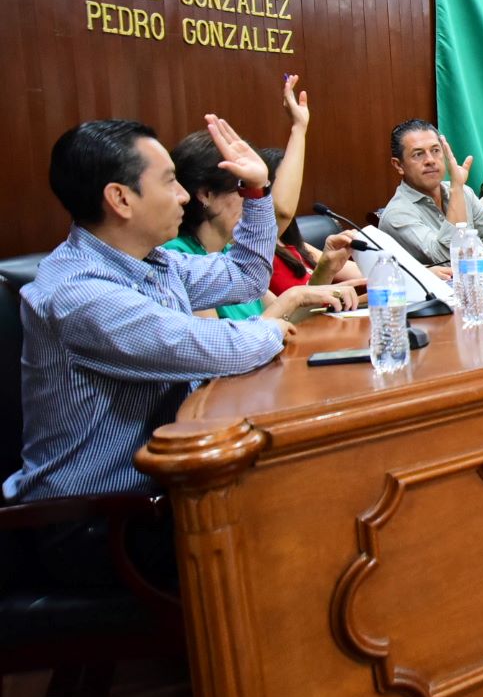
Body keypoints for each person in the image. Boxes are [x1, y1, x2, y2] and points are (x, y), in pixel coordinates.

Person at [6, 116, 294, 504]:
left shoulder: (152, 261)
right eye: (169, 181)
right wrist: (275, 327)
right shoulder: (79, 293)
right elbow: (220, 348)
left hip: (162, 486)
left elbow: (246, 277)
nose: (184, 196)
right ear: (120, 198)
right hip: (94, 517)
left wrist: (255, 191)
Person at [163, 131, 358, 319]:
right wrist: (295, 296)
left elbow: (290, 319)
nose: (253, 204)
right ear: (206, 195)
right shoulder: (177, 258)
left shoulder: (232, 255)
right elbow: (219, 338)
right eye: (245, 189)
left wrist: (325, 270)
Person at [256, 75, 362, 296]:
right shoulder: (252, 248)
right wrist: (299, 127)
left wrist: (421, 273)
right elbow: (281, 211)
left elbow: (357, 276)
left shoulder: (293, 243)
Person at [378, 120, 483, 264]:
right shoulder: (396, 215)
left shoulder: (464, 192)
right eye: (418, 154)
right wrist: (457, 188)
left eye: (435, 151)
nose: (430, 160)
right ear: (399, 165)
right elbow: (451, 260)